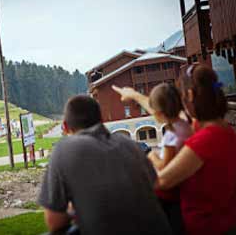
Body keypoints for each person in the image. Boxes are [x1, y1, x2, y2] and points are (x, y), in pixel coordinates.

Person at [38, 95, 171, 235]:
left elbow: (54, 222)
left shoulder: (63, 149)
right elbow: (154, 183)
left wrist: (77, 209)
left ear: (65, 127)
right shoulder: (131, 144)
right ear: (101, 121)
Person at [155, 65, 236, 235]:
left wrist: (151, 157)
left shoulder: (204, 140)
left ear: (190, 95)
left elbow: (162, 181)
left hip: (205, 228)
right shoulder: (225, 130)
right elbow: (170, 117)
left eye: (183, 98)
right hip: (227, 221)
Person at [113, 83, 193, 234]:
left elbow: (164, 167)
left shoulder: (171, 135)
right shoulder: (185, 125)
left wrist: (150, 155)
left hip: (170, 197)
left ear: (159, 113)